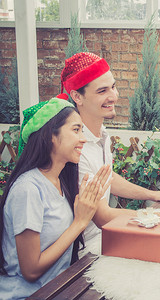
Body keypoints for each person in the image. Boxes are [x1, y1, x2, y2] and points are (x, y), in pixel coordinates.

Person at [60, 52, 160, 248]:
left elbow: (107, 178)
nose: (114, 96)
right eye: (102, 91)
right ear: (77, 96)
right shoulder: (76, 147)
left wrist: (152, 195)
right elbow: (103, 217)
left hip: (108, 236)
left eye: (113, 87)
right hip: (89, 249)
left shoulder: (101, 132)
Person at [0, 94, 111, 299]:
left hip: (60, 288)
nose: (83, 138)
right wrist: (80, 222)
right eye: (76, 130)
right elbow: (31, 270)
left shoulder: (60, 181)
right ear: (51, 135)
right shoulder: (28, 189)